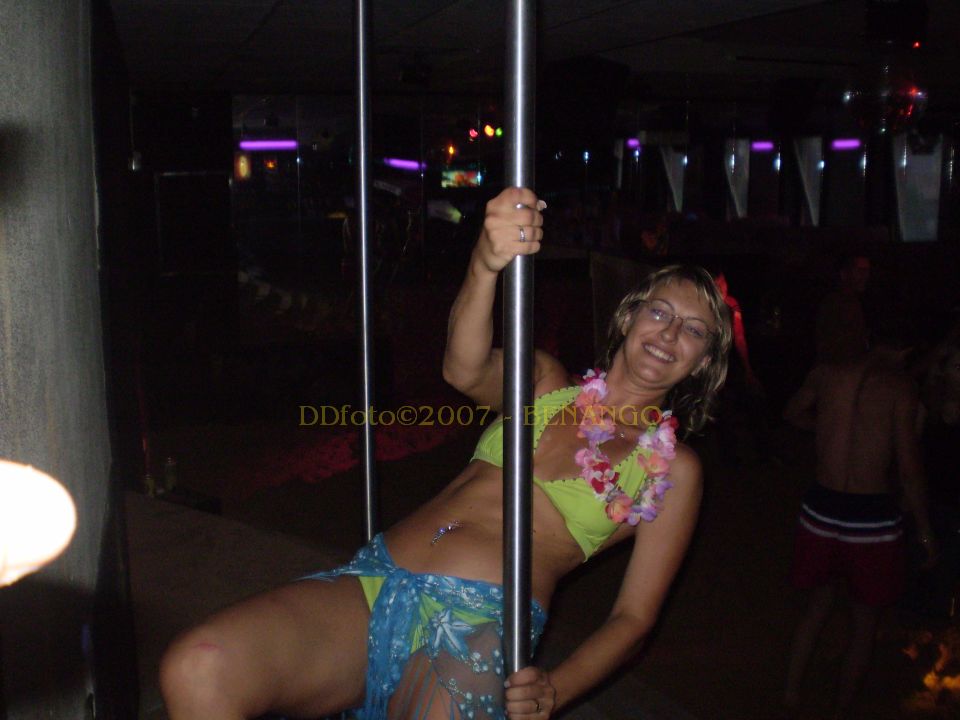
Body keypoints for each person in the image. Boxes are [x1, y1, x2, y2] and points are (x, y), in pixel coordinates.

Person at [158, 187, 732, 720]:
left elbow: (633, 617)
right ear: (629, 316)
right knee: (199, 667)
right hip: (376, 582)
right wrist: (485, 263)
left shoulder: (673, 470)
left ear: (704, 360)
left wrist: (557, 689)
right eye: (660, 312)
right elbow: (463, 368)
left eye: (694, 330)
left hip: (479, 624)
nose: (668, 334)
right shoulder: (545, 381)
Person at [782, 316, 937, 716]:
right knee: (865, 623)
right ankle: (841, 710)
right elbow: (909, 468)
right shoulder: (901, 388)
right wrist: (924, 531)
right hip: (870, 518)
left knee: (817, 606)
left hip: (821, 507)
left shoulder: (828, 372)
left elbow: (792, 413)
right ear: (907, 351)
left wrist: (828, 429)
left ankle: (791, 694)